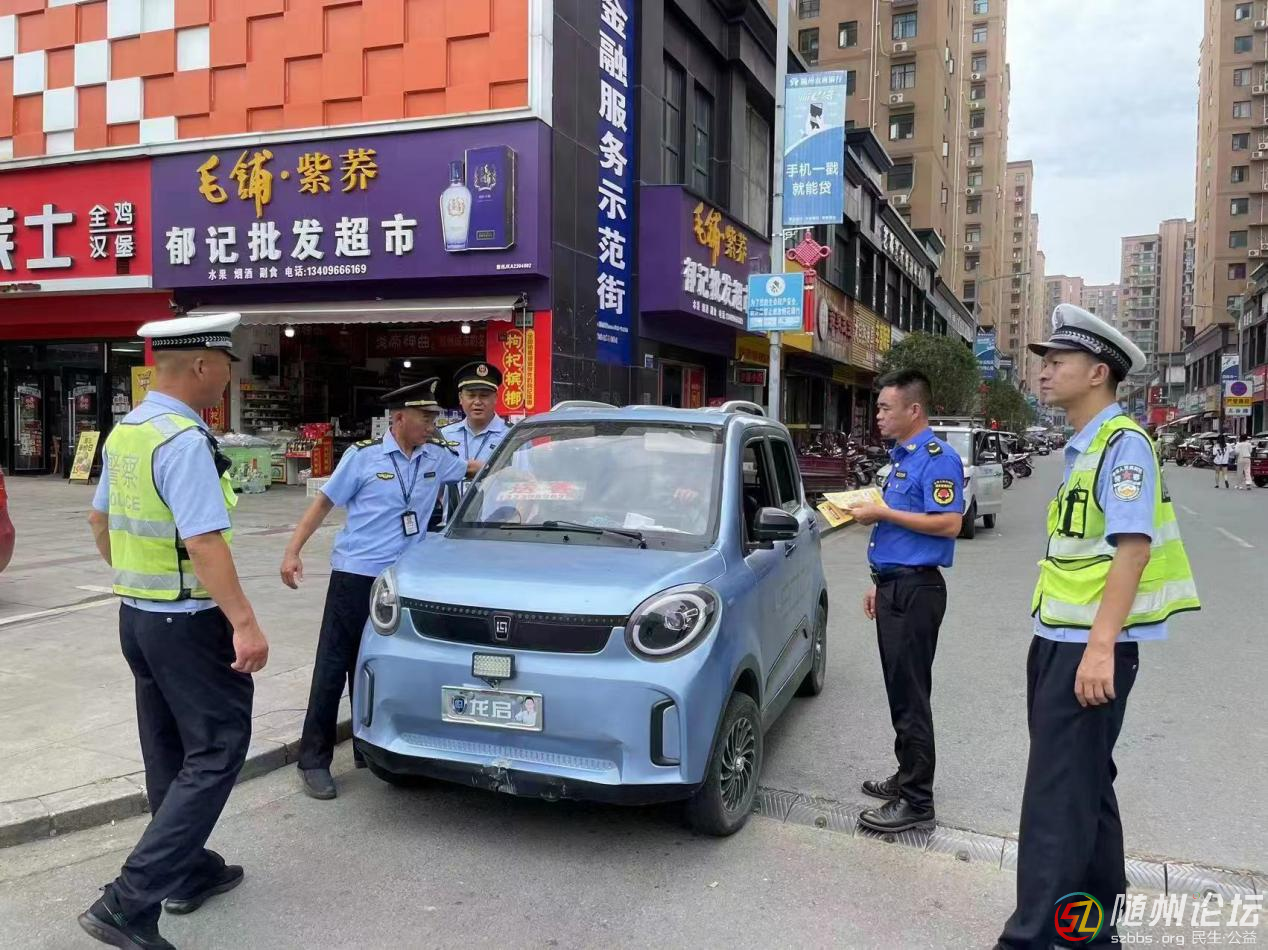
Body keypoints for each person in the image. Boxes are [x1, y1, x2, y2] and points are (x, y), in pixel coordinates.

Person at [996, 305, 1200, 949]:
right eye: (1045, 361)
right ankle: (1092, 928)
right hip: (1060, 639)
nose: (1045, 371)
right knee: (1086, 785)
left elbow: (1133, 551)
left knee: (1055, 797)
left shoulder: (1122, 445)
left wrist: (1100, 648)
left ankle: (1030, 938)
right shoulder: (1085, 447)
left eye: (1058, 361)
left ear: (1098, 372)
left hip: (1087, 646)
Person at [80, 313, 269, 950]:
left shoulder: (129, 431)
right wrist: (244, 623)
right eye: (227, 366)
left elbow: (98, 520)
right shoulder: (185, 440)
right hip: (188, 622)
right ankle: (128, 901)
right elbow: (204, 540)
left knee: (167, 750)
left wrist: (137, 578)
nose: (227, 379)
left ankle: (184, 871)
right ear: (202, 366)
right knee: (216, 749)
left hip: (138, 617)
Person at [281, 378, 480, 800]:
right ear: (399, 418)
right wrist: (293, 551)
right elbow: (323, 503)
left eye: (434, 417)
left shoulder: (435, 457)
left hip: (404, 582)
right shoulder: (363, 457)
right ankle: (313, 760)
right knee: (334, 665)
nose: (432, 424)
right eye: (425, 417)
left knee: (380, 663)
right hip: (356, 575)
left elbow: (473, 469)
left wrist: (525, 462)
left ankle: (366, 746)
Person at [843, 368, 964, 834]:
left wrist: (882, 512)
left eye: (885, 407)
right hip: (896, 585)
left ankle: (917, 802)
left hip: (917, 591)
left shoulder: (937, 458)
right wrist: (881, 580)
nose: (878, 415)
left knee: (911, 696)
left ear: (914, 410)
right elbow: (901, 535)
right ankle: (906, 775)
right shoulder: (902, 458)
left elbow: (949, 523)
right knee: (900, 690)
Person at [440, 361, 509, 522]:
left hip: (498, 526)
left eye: (484, 395)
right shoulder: (445, 435)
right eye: (471, 395)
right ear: (460, 398)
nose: (477, 402)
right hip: (452, 526)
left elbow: (524, 484)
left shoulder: (512, 436)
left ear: (495, 398)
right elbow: (436, 484)